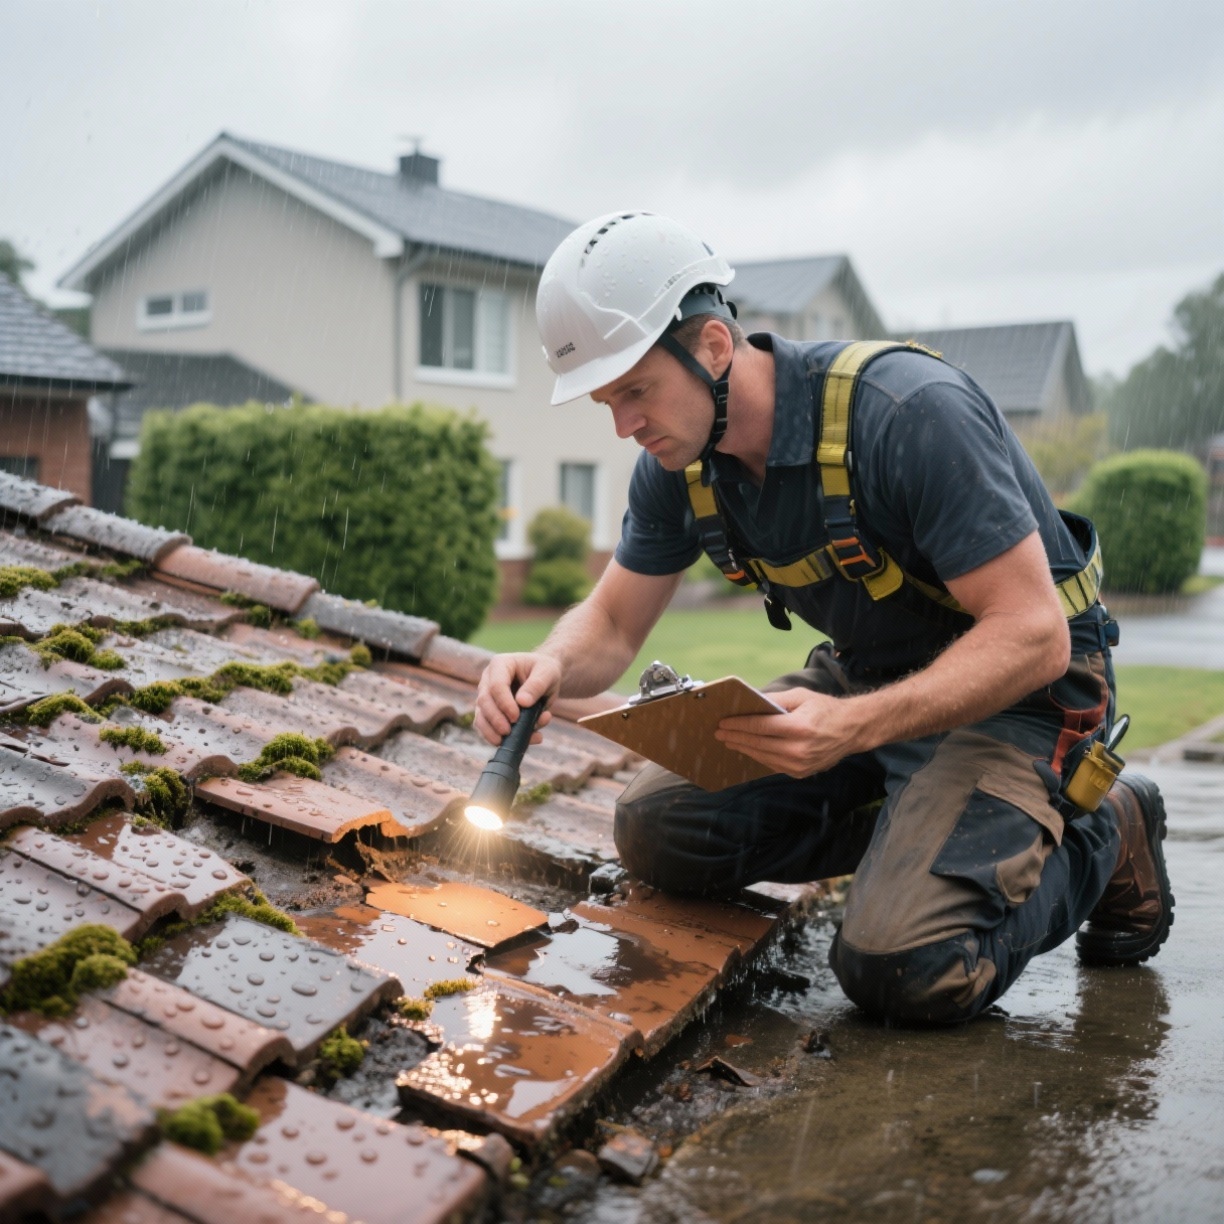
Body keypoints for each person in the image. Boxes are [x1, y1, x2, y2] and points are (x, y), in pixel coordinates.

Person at [475, 211, 1174, 1025]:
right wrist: (551, 663)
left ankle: (1107, 829)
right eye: (605, 399)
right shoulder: (679, 462)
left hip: (1024, 695)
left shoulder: (907, 414)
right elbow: (612, 626)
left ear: (710, 346)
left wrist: (852, 727)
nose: (624, 425)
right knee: (658, 829)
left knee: (904, 968)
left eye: (634, 389)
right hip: (872, 677)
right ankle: (918, 821)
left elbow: (1035, 636)